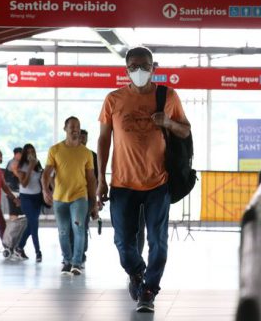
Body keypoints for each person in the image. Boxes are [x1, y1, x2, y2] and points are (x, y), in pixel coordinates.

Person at [97, 47, 191, 313]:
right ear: (126, 69)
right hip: (122, 183)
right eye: (134, 66)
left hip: (158, 183)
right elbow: (104, 139)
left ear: (154, 67)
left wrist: (168, 123)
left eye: (145, 65)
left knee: (158, 241)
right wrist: (100, 179)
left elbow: (185, 131)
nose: (139, 71)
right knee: (123, 242)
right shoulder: (113, 99)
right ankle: (137, 273)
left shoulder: (168, 96)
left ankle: (148, 290)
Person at [43, 118, 98, 276]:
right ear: (65, 128)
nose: (75, 129)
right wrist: (45, 191)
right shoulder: (55, 150)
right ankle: (67, 261)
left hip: (79, 197)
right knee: (63, 232)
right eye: (72, 127)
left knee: (79, 229)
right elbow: (46, 173)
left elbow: (91, 179)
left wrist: (93, 202)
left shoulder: (86, 153)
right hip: (60, 198)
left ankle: (76, 262)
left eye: (78, 127)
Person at [15, 144, 43, 262]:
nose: (31, 154)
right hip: (26, 198)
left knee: (31, 225)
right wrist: (30, 167)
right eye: (28, 152)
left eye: (33, 151)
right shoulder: (21, 167)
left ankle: (19, 247)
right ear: (25, 154)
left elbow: (41, 178)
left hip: (37, 197)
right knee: (34, 225)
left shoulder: (38, 164)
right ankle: (38, 252)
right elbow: (24, 184)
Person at [0, 149, 19, 246]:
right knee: (2, 224)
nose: (0, 158)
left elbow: (5, 187)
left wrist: (14, 198)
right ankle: (7, 246)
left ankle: (7, 246)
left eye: (1, 156)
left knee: (1, 224)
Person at [5, 147, 24, 219]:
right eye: (21, 154)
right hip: (12, 191)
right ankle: (13, 227)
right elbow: (18, 175)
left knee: (16, 211)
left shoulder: (17, 162)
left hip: (16, 190)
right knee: (14, 212)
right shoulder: (13, 162)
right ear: (16, 154)